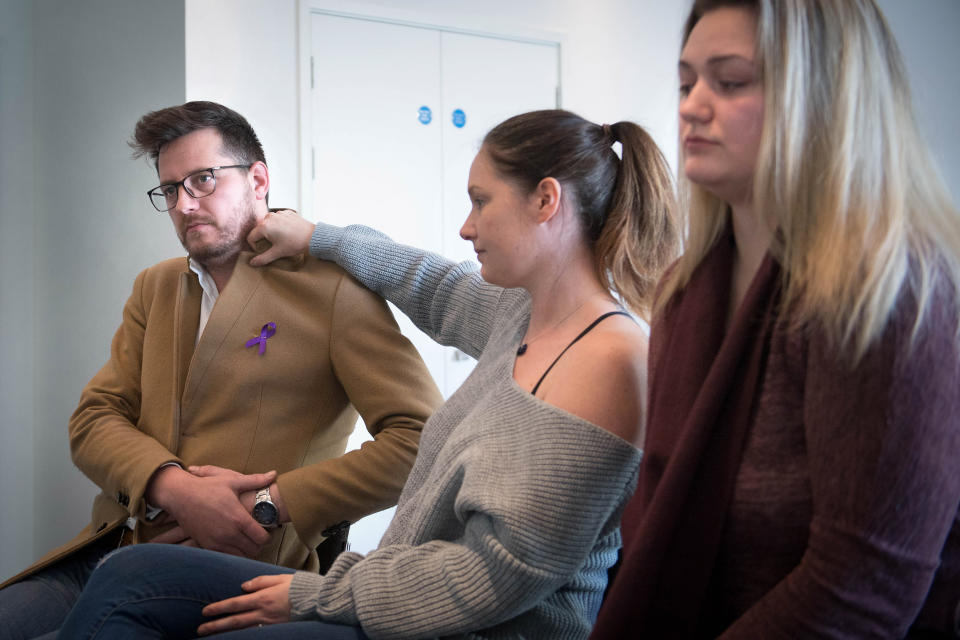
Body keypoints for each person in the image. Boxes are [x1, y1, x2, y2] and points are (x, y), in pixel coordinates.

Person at [55, 108, 681, 638]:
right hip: (379, 589)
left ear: (546, 200)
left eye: (480, 202)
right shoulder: (520, 316)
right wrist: (321, 235)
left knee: (126, 593)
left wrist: (312, 580)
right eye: (171, 189)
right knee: (104, 582)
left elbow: (492, 580)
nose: (465, 226)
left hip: (452, 624)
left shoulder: (608, 362)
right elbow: (431, 283)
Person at [0, 101, 443, 639]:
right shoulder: (156, 286)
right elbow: (94, 419)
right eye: (170, 190)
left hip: (242, 574)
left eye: (204, 180)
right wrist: (172, 486)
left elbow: (424, 439)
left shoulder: (333, 291)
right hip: (114, 547)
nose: (185, 205)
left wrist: (270, 506)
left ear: (258, 179)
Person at [591, 0, 960, 637]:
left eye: (730, 81)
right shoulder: (684, 290)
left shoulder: (886, 290)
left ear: (825, 98)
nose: (692, 106)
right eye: (686, 83)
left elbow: (861, 586)